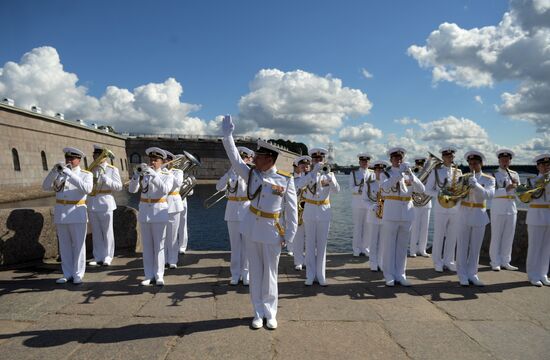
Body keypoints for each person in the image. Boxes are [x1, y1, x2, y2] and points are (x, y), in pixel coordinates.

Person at [222, 115, 297, 330]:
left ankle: (270, 313)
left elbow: (291, 212)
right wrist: (228, 137)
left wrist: (289, 237)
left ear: (269, 158)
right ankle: (257, 312)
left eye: (258, 156)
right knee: (255, 272)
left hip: (272, 231)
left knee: (271, 274)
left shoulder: (285, 179)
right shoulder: (251, 173)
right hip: (251, 228)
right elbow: (236, 160)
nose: (254, 158)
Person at [42, 147, 93, 284]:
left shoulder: (85, 174)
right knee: (64, 246)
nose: (69, 160)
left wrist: (70, 174)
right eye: (67, 158)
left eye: (72, 158)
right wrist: (53, 171)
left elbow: (87, 189)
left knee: (78, 245)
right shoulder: (59, 173)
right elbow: (45, 186)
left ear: (79, 160)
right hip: (61, 213)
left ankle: (78, 274)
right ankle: (67, 273)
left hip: (77, 212)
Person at [379, 147, 425, 287]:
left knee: (402, 246)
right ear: (391, 159)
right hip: (391, 213)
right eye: (395, 158)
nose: (398, 160)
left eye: (400, 158)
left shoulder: (408, 174)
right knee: (389, 246)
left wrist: (411, 174)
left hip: (407, 212)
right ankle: (389, 275)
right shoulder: (385, 174)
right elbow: (385, 188)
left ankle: (401, 274)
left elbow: (421, 189)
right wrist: (399, 174)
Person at [128, 147, 173, 286]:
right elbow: (132, 190)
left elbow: (165, 190)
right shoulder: (145, 175)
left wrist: (153, 174)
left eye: (156, 160)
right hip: (145, 212)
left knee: (159, 246)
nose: (152, 162)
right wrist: (136, 176)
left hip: (159, 211)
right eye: (151, 159)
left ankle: (159, 275)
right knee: (147, 247)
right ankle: (148, 275)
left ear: (162, 161)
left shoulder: (167, 175)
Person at [300, 148, 340, 286]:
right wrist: (312, 173)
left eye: (320, 159)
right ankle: (310, 275)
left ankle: (321, 275)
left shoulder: (329, 174)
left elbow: (336, 190)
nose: (318, 161)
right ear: (312, 160)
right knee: (310, 244)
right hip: (310, 210)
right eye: (315, 159)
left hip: (324, 211)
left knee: (322, 245)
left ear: (323, 160)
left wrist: (329, 177)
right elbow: (298, 185)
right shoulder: (307, 175)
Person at [216, 146, 254, 285]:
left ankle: (246, 273)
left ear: (249, 159)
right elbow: (219, 187)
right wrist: (228, 173)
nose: (241, 161)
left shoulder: (250, 173)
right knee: (235, 246)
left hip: (246, 211)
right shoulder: (230, 174)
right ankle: (235, 274)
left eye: (244, 158)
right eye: (240, 158)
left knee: (247, 245)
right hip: (232, 212)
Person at [456, 151, 495, 286]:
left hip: (479, 214)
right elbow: (456, 196)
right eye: (470, 164)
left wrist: (476, 185)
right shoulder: (462, 178)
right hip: (464, 214)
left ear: (481, 164)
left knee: (475, 247)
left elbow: (488, 195)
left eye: (475, 164)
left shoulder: (489, 179)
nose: (473, 166)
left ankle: (472, 274)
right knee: (462, 246)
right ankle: (462, 275)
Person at [424, 146, 462, 272]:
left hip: (455, 208)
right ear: (442, 157)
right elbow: (427, 189)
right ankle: (437, 262)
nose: (449, 158)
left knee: (452, 236)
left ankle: (449, 261)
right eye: (447, 156)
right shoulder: (436, 172)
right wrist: (441, 194)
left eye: (451, 156)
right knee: (439, 235)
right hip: (441, 207)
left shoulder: (459, 172)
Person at [87, 145, 122, 267]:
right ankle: (98, 256)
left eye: (97, 155)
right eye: (94, 155)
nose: (94, 157)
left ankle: (108, 256)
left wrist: (107, 180)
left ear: (104, 156)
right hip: (93, 202)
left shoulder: (112, 169)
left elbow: (119, 187)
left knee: (107, 231)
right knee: (96, 231)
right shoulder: (91, 169)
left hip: (106, 202)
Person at [490, 149, 521, 271]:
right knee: (496, 235)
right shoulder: (493, 175)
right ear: (499, 161)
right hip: (498, 208)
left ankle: (506, 261)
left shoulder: (515, 174)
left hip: (511, 208)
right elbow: (491, 193)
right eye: (503, 160)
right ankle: (495, 262)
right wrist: (506, 189)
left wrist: (519, 189)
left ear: (510, 161)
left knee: (509, 236)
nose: (505, 162)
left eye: (507, 160)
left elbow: (518, 194)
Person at [525, 153, 550, 287]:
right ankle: (533, 275)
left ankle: (543, 274)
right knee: (535, 247)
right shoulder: (532, 181)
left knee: (547, 248)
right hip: (536, 216)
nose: (546, 167)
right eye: (543, 165)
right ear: (538, 167)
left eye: (548, 165)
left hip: (548, 217)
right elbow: (525, 198)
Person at [363, 160, 389, 272]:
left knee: (383, 241)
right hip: (373, 215)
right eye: (378, 170)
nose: (380, 172)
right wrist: (372, 206)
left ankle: (381, 262)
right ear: (374, 171)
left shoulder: (389, 184)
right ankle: (373, 263)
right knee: (373, 241)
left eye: (382, 170)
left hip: (386, 215)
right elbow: (364, 200)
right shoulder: (368, 184)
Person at [163, 151, 184, 269]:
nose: (165, 162)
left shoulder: (178, 172)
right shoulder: (159, 173)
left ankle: (172, 259)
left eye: (167, 160)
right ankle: (164, 258)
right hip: (161, 204)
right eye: (164, 160)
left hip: (174, 204)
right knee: (162, 235)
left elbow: (178, 183)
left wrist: (168, 172)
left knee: (172, 235)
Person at [350, 153, 373, 257]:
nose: (365, 163)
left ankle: (366, 248)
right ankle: (356, 249)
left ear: (369, 162)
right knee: (358, 228)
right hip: (357, 204)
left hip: (369, 204)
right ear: (359, 162)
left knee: (368, 228)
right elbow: (351, 188)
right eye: (363, 161)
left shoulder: (372, 173)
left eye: (366, 161)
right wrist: (361, 187)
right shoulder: (354, 173)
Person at [292, 155, 312, 271]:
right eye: (302, 165)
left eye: (307, 165)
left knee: (310, 238)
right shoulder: (294, 181)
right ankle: (298, 261)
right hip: (298, 212)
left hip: (310, 211)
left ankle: (308, 260)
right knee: (298, 238)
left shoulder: (314, 180)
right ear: (298, 167)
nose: (305, 167)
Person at [409, 156, 432, 257]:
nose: (420, 166)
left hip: (426, 203)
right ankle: (413, 250)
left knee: (425, 228)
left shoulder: (430, 174)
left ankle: (422, 250)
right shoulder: (413, 173)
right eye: (418, 164)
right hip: (415, 203)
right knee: (415, 227)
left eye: (422, 164)